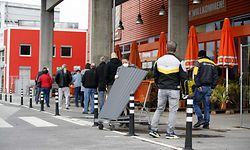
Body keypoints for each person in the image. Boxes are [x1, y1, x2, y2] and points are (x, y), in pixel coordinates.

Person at [149, 41, 188, 139]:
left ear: (166, 48)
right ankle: (170, 133)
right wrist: (185, 92)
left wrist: (159, 85)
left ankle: (153, 130)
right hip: (174, 89)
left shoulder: (159, 60)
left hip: (162, 89)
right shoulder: (180, 61)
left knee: (159, 109)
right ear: (176, 49)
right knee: (172, 111)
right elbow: (184, 79)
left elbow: (155, 76)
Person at [193, 50, 218, 129]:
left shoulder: (198, 62)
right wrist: (213, 86)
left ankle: (200, 119)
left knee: (195, 103)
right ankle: (206, 123)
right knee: (207, 106)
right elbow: (216, 76)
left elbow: (195, 74)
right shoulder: (213, 63)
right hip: (209, 87)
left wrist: (198, 85)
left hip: (201, 86)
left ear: (199, 56)